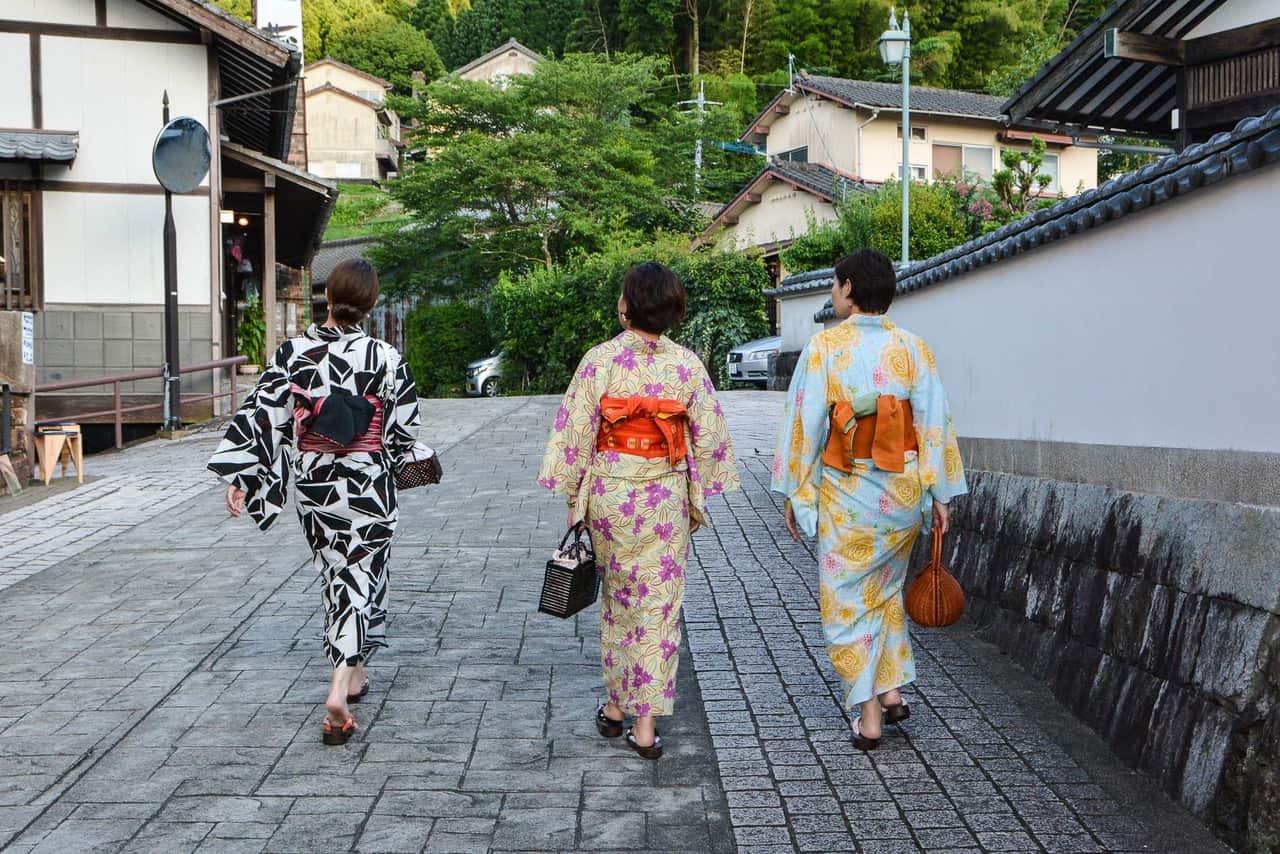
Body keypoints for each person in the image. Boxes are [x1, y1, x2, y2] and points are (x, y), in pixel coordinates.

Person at [208, 259, 421, 746]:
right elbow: (405, 428)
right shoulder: (385, 356)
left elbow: (263, 415)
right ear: (369, 305)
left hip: (317, 482)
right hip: (369, 481)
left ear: (328, 298)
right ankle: (337, 692)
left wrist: (244, 475)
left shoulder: (292, 353)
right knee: (363, 574)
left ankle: (356, 673)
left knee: (336, 575)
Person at [538, 262, 739, 759]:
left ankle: (613, 708)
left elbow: (575, 432)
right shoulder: (687, 365)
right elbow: (709, 437)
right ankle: (645, 725)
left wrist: (573, 498)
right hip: (664, 497)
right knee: (659, 607)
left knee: (618, 601)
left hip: (610, 493)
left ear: (627, 305)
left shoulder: (600, 360)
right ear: (672, 308)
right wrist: (705, 485)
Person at [771, 249, 967, 751]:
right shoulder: (913, 348)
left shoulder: (825, 348)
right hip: (901, 495)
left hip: (849, 494)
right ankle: (892, 689)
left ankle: (869, 716)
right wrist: (940, 493)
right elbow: (933, 424)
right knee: (882, 593)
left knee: (846, 603)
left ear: (850, 288)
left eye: (835, 286)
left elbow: (805, 424)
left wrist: (797, 490)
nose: (832, 294)